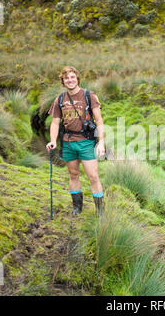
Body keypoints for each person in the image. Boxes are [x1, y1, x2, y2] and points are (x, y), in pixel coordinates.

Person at [46, 66, 105, 217]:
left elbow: (99, 120)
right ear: (63, 81)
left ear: (77, 79)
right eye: (66, 78)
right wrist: (53, 140)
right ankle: (77, 207)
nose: (70, 80)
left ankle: (100, 211)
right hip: (68, 142)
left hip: (86, 141)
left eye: (72, 77)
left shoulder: (88, 95)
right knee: (73, 174)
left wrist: (101, 142)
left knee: (93, 176)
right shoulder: (60, 99)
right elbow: (55, 122)